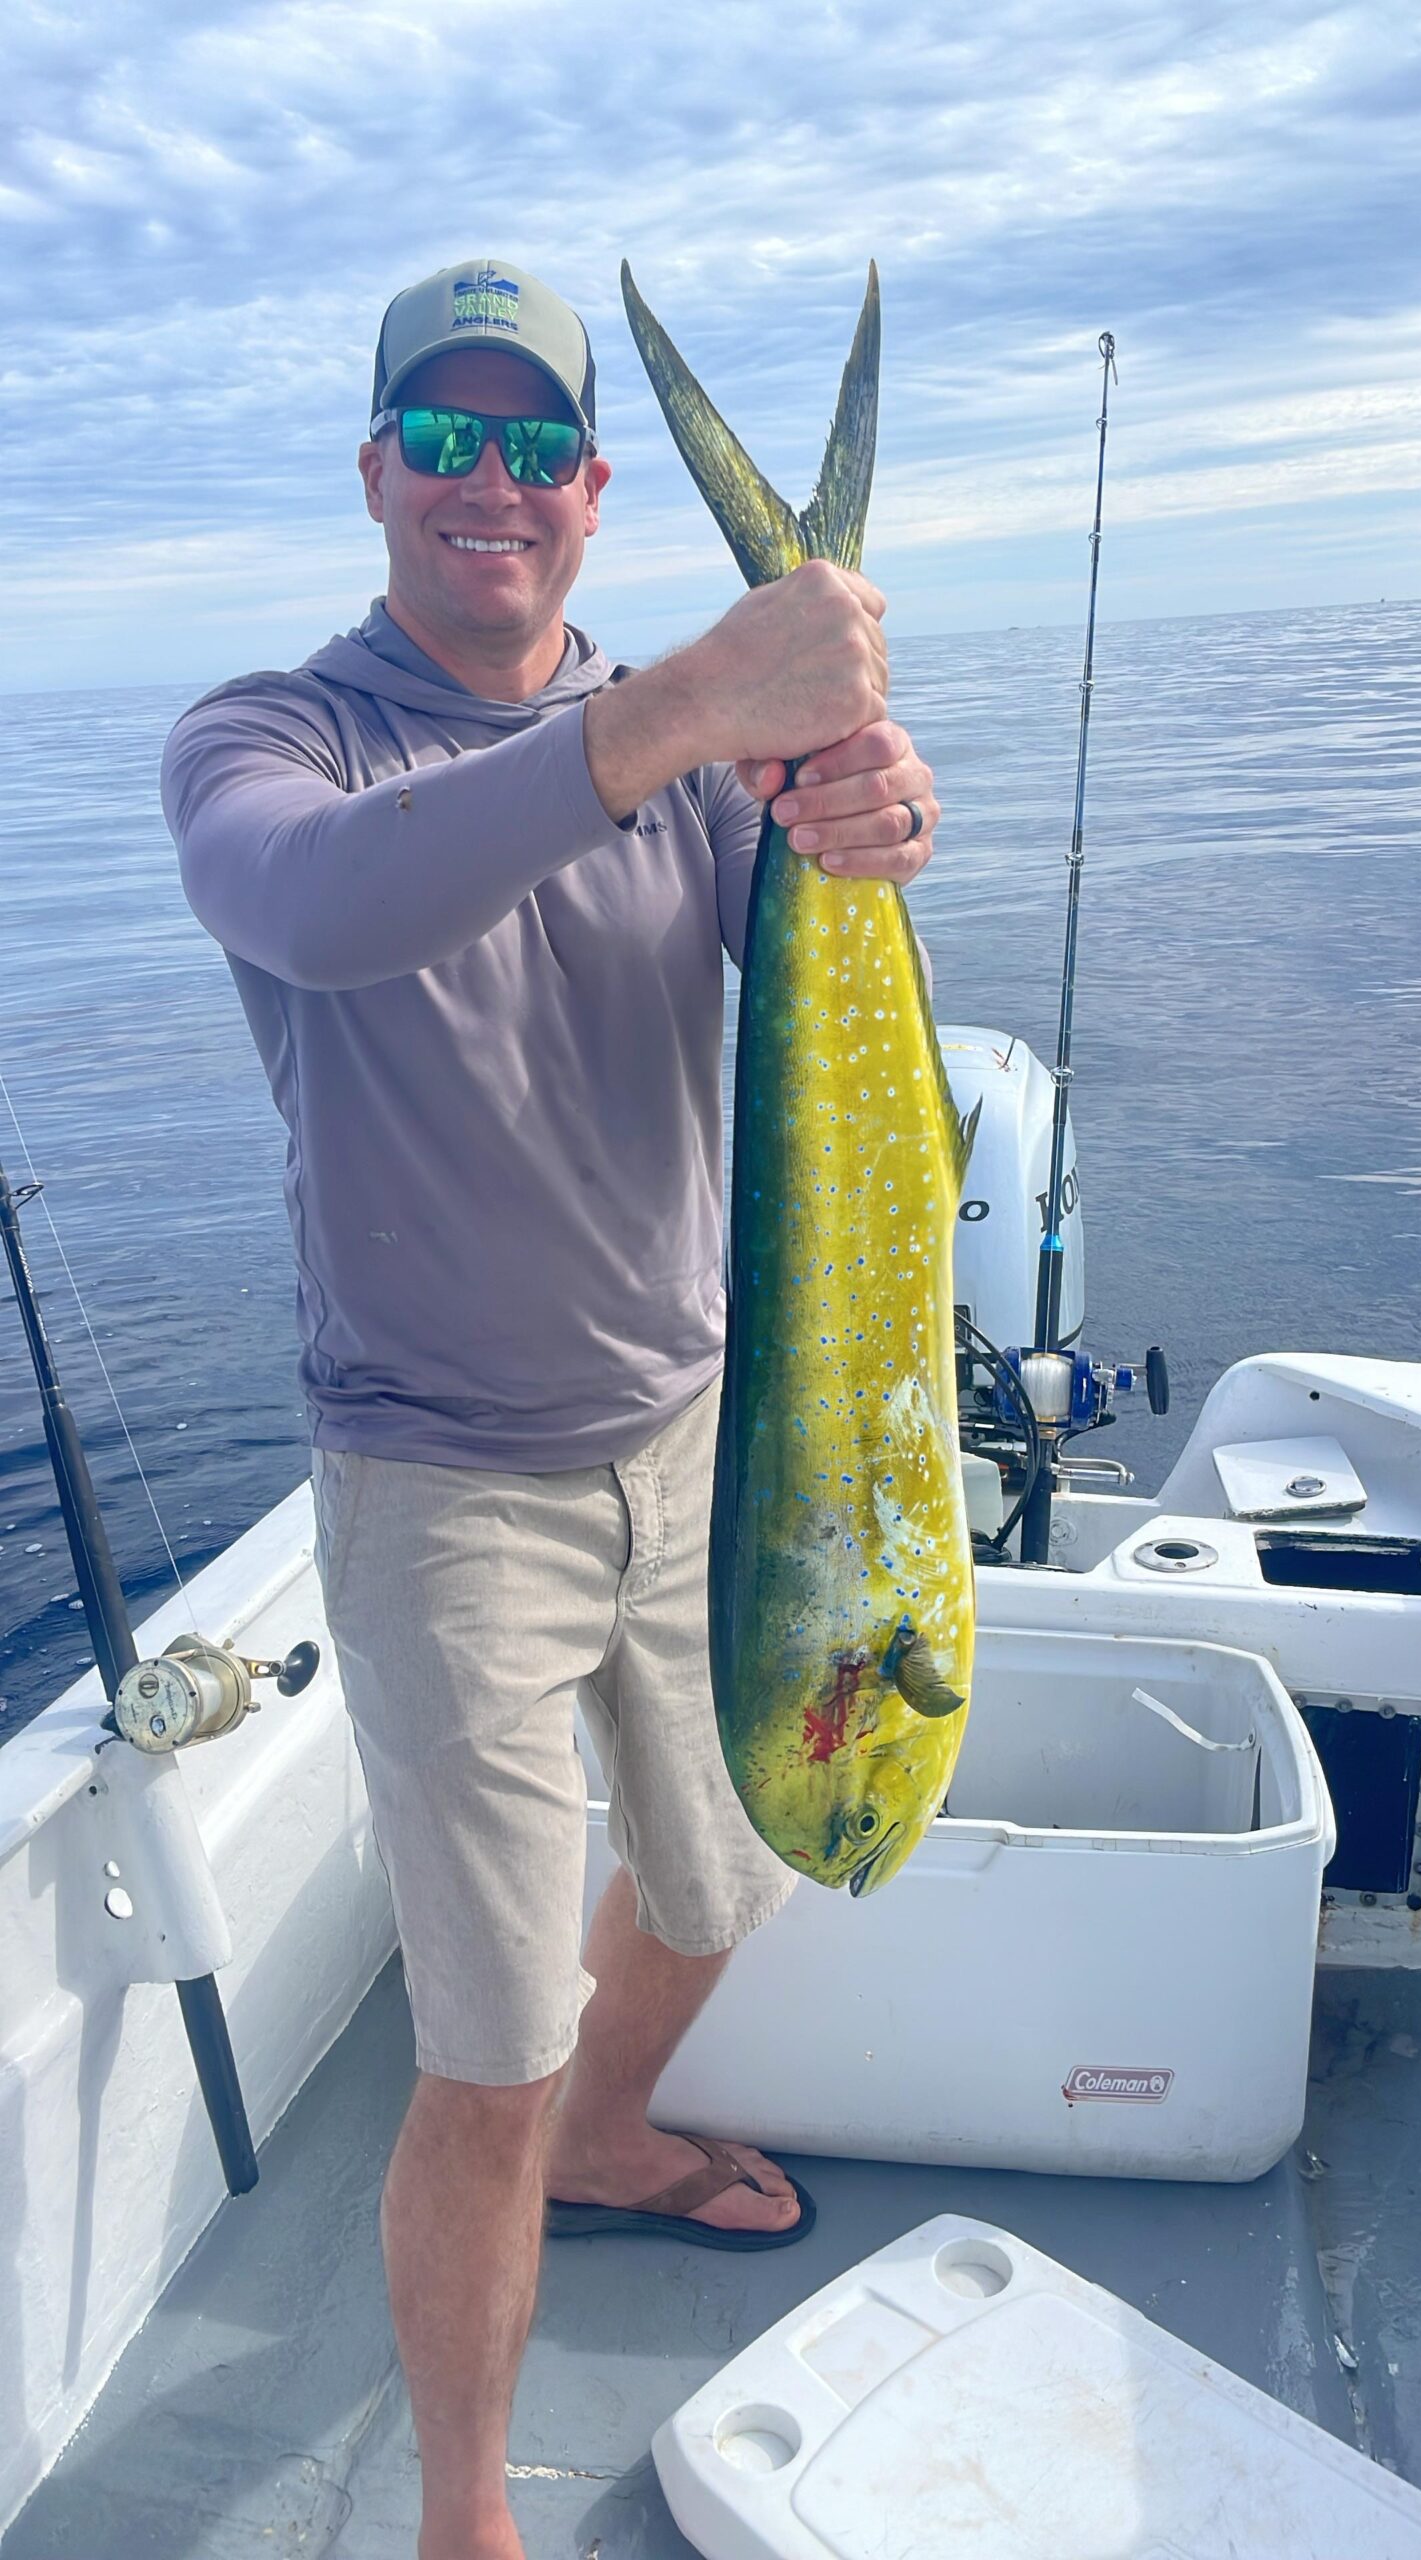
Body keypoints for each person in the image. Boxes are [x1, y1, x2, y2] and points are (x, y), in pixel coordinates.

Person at [162, 257, 940, 2560]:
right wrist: (695, 702)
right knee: (478, 2058)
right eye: (449, 436)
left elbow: (815, 923)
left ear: (598, 492)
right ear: (378, 470)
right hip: (441, 1489)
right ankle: (463, 2509)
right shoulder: (266, 738)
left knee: (738, 1866)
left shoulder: (695, 753)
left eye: (537, 446)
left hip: (717, 1453)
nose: (491, 483)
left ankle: (623, 2124)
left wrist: (866, 805)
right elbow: (316, 909)